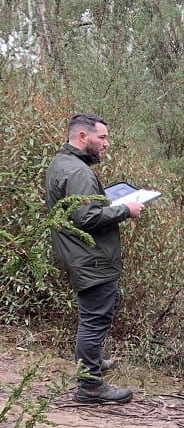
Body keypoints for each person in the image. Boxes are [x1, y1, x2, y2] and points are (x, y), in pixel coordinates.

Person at [45, 114, 144, 404]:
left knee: (94, 316)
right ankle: (90, 386)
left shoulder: (63, 162)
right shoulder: (79, 172)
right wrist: (126, 210)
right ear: (82, 137)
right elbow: (86, 217)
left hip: (79, 252)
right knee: (94, 319)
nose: (106, 144)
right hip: (91, 257)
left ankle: (92, 363)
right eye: (102, 138)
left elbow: (79, 208)